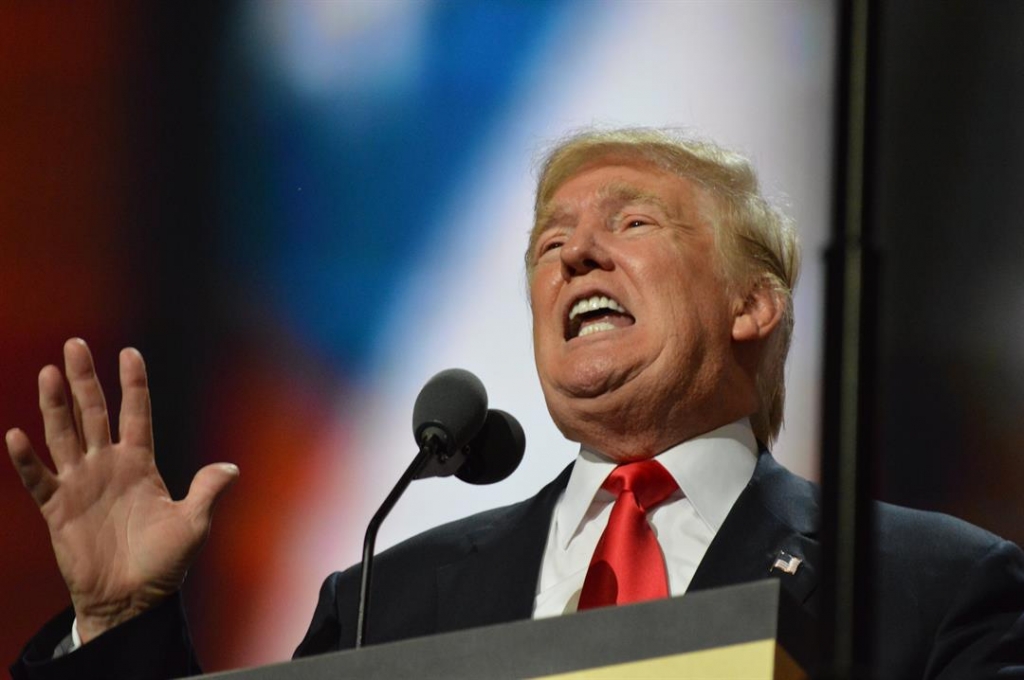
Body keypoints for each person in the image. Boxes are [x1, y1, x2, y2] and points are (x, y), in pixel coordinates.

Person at [8, 128, 1024, 679]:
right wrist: (120, 624)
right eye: (549, 242)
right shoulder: (384, 599)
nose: (574, 251)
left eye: (631, 221)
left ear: (752, 301)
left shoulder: (932, 586)